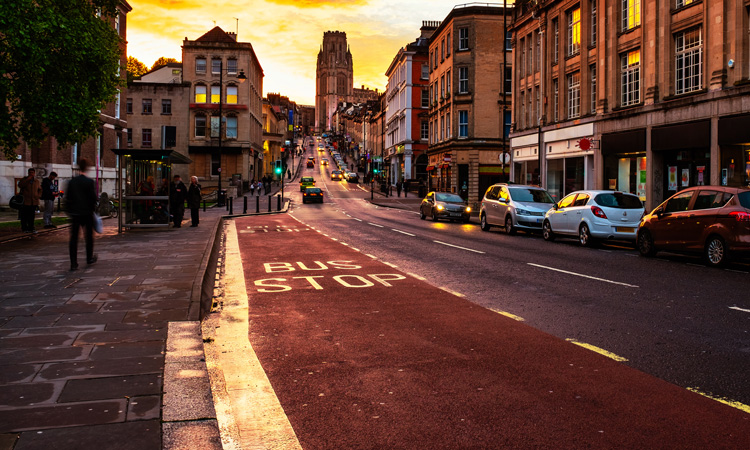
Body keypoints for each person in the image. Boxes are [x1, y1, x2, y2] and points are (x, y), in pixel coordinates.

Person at [66, 158, 97, 270]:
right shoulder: (89, 182)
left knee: (74, 238)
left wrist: (70, 211)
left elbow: (68, 198)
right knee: (88, 237)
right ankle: (89, 257)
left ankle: (73, 263)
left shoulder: (72, 182)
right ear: (86, 168)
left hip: (75, 213)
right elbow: (93, 198)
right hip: (87, 213)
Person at [18, 168, 42, 233]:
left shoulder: (36, 181)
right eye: (30, 172)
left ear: (34, 173)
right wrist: (27, 180)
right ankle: (24, 228)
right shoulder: (24, 179)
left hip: (33, 201)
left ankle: (31, 227)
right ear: (28, 173)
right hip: (26, 201)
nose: (31, 174)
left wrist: (38, 195)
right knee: (24, 216)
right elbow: (20, 185)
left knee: (31, 216)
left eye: (32, 172)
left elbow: (40, 189)